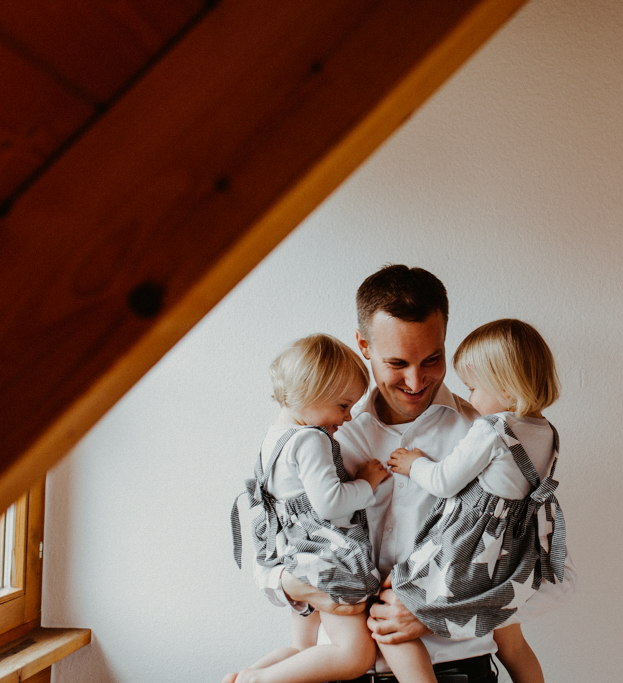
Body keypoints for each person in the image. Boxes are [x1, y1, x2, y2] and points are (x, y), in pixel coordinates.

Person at [255, 265, 575, 683]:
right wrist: (286, 584)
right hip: (337, 671)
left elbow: (552, 578)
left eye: (432, 359)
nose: (415, 380)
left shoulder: (490, 438)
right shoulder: (322, 435)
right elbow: (276, 541)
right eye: (397, 363)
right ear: (363, 346)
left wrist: (438, 610)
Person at [385, 319, 567, 683]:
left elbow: (443, 481)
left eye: (473, 387)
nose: (469, 398)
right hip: (513, 549)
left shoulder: (491, 429)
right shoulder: (548, 432)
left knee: (395, 593)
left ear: (506, 385)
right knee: (513, 642)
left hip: (470, 543)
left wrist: (413, 463)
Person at [226, 334, 389, 683]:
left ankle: (243, 677)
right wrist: (367, 483)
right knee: (354, 655)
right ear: (309, 392)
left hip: (294, 554)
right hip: (324, 555)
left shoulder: (273, 438)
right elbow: (329, 504)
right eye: (343, 405)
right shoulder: (311, 439)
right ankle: (257, 681)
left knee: (303, 649)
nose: (347, 417)